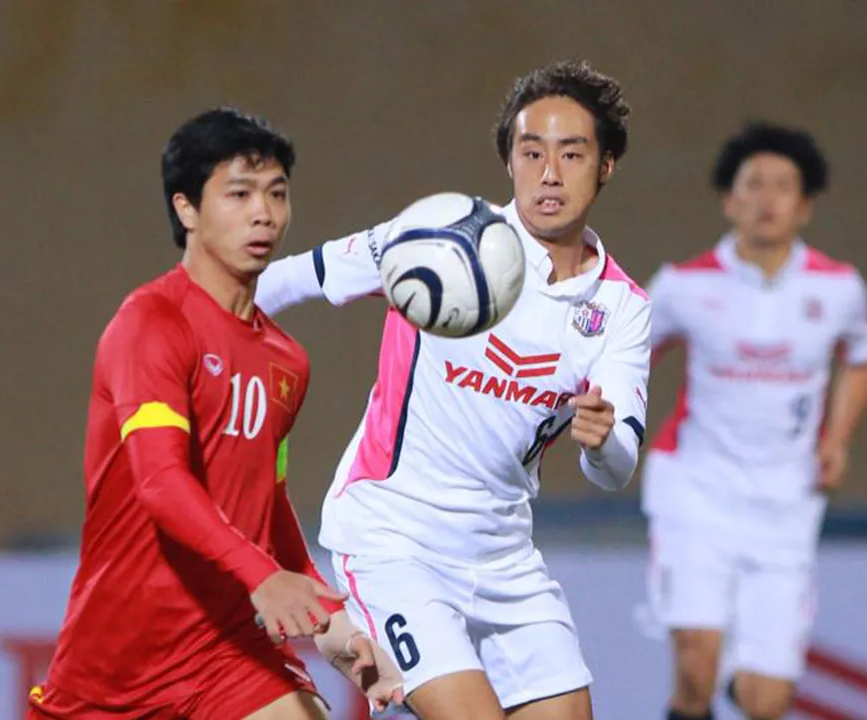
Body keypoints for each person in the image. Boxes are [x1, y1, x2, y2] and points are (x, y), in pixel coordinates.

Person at [255, 60, 651, 720]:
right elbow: (297, 278)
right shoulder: (436, 238)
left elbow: (615, 468)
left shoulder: (621, 308)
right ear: (509, 161)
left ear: (606, 165)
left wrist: (603, 441)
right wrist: (188, 327)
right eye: (532, 152)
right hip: (394, 536)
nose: (549, 173)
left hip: (504, 557)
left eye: (572, 153)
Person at [29, 108, 403, 720]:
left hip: (228, 652)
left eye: (276, 194)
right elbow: (160, 482)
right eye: (239, 194)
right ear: (187, 210)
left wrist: (334, 624)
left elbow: (268, 504)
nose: (264, 213)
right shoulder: (151, 324)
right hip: (112, 669)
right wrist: (261, 575)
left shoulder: (288, 362)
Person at [641, 122, 867, 720]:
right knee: (695, 666)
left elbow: (861, 356)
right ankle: (703, 688)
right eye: (753, 184)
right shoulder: (683, 286)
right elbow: (625, 352)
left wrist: (838, 438)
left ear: (804, 206)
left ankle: (738, 687)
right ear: (729, 199)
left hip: (786, 502)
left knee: (765, 701)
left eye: (783, 186)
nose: (767, 199)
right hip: (697, 489)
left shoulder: (840, 288)